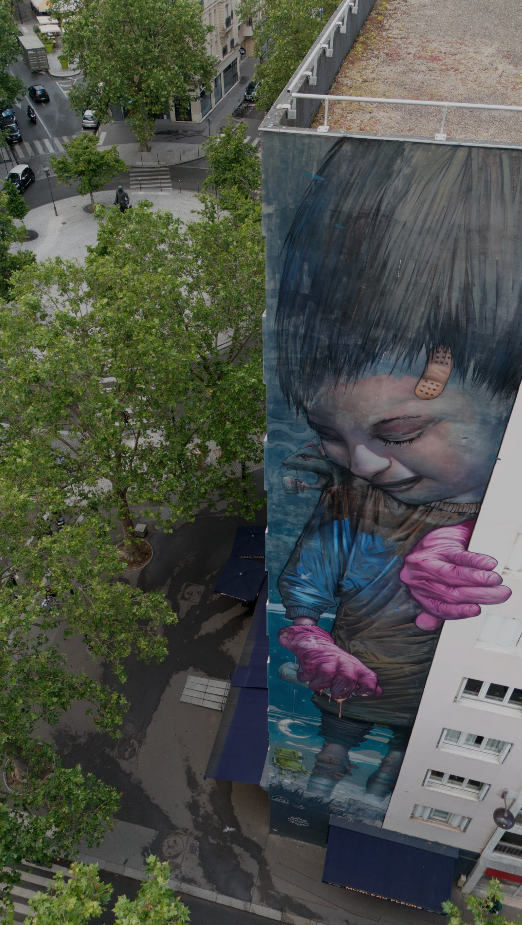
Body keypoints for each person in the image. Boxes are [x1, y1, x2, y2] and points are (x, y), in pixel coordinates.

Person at [274, 140, 522, 803]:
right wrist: (307, 629)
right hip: (355, 682)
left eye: (404, 431)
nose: (361, 462)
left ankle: (396, 780)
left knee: (402, 757)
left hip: (426, 699)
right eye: (329, 433)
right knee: (337, 740)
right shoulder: (351, 502)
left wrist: (488, 544)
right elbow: (307, 574)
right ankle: (333, 776)